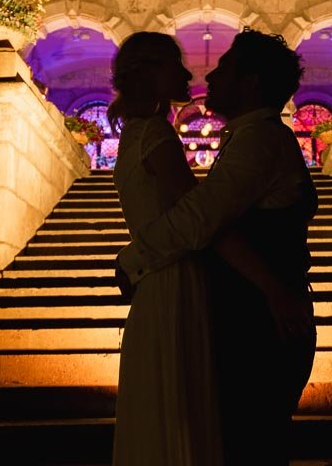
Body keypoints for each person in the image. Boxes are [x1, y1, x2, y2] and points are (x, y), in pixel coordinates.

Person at [108, 31, 313, 466]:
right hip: (231, 308)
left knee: (245, 441)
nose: (206, 74)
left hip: (260, 322)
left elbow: (200, 218)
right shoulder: (241, 138)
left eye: (225, 68)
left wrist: (132, 258)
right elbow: (204, 218)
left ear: (251, 82)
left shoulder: (258, 141)